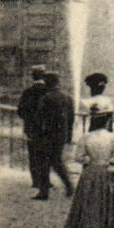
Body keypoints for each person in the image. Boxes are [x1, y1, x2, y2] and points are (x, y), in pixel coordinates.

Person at [60, 97, 114, 228]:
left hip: (90, 172)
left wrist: (90, 160)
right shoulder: (113, 137)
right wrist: (107, 161)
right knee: (105, 203)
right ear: (107, 120)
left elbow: (78, 157)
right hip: (105, 171)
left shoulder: (86, 137)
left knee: (87, 204)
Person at [31, 72, 75, 201]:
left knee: (43, 162)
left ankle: (44, 192)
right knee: (57, 161)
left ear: (48, 82)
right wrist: (69, 135)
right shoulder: (67, 98)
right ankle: (69, 186)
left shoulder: (46, 98)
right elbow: (71, 119)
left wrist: (36, 134)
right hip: (61, 135)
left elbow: (39, 118)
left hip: (47, 135)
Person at [18, 65, 51, 199]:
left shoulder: (28, 92)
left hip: (32, 128)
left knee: (33, 155)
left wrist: (29, 119)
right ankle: (46, 181)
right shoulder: (48, 91)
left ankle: (36, 180)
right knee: (46, 155)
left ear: (33, 76)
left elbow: (21, 111)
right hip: (47, 129)